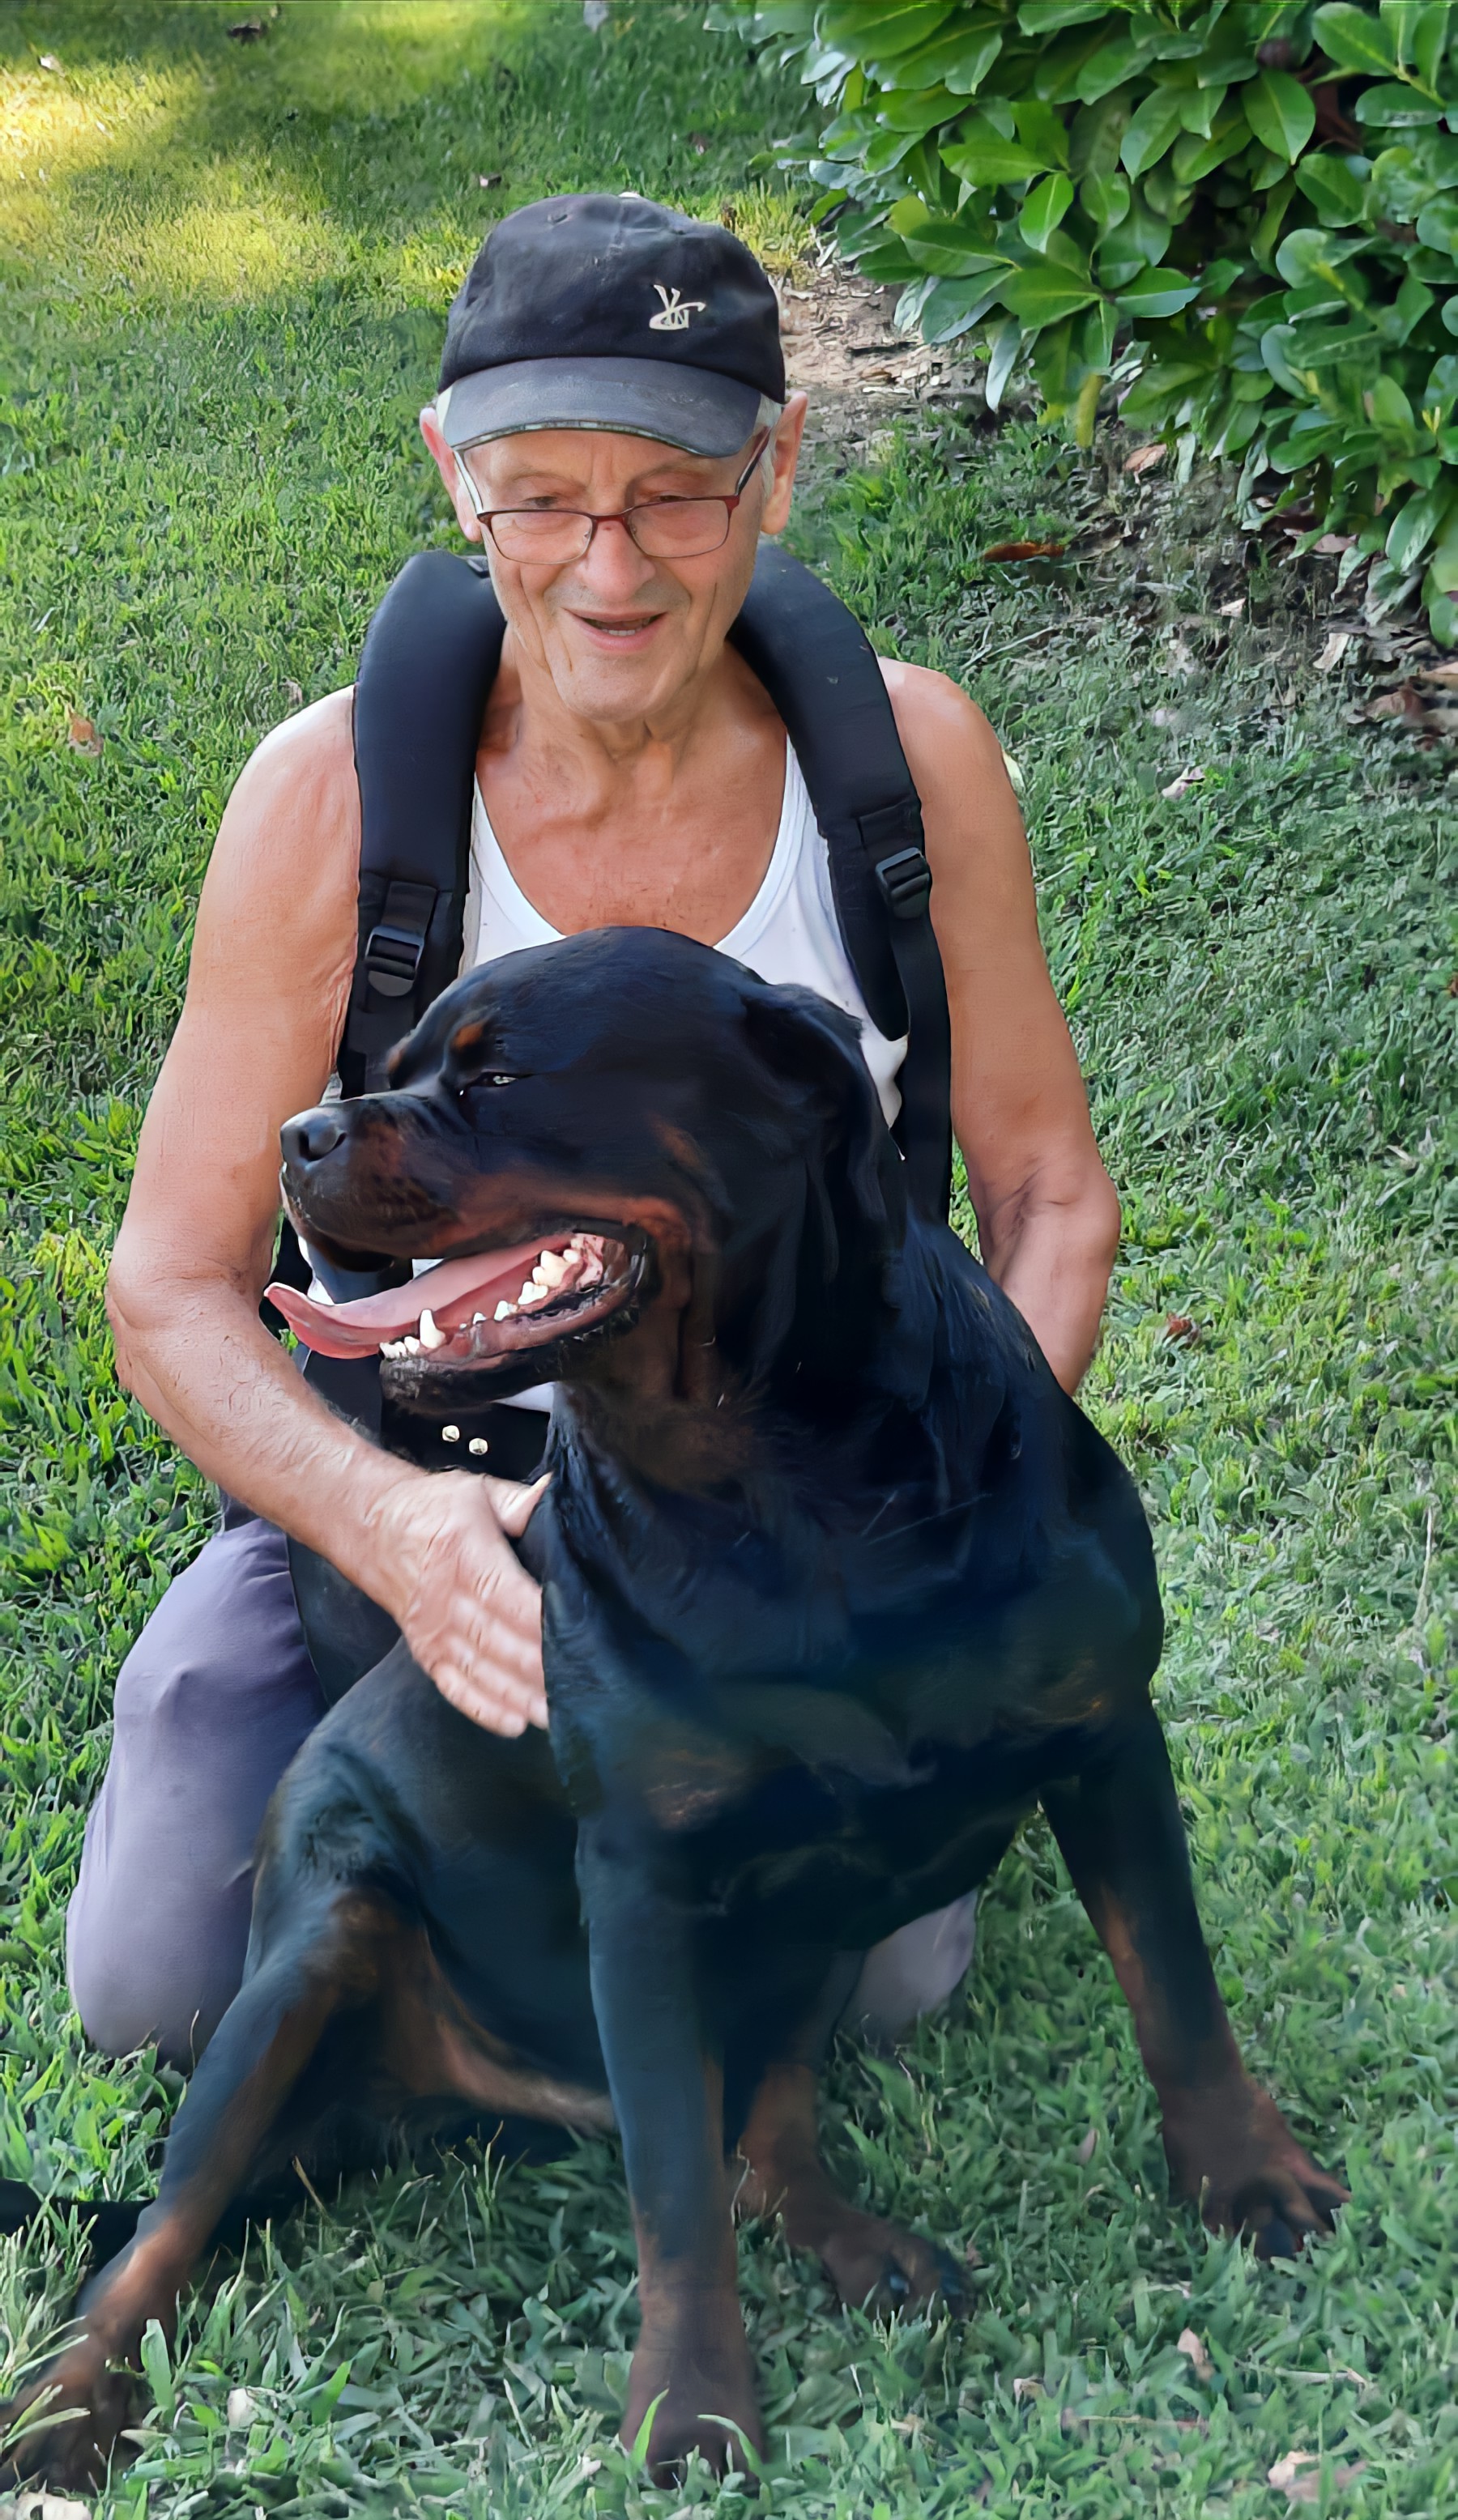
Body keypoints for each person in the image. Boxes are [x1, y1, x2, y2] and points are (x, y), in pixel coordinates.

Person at [68, 194, 1120, 2069]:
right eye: (542, 497)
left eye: (675, 494)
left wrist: (940, 1518)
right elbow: (167, 1283)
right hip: (433, 1490)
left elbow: (1047, 1191)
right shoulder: (332, 802)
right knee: (158, 1988)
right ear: (453, 478)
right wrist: (390, 1527)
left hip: (797, 1511)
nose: (606, 567)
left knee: (873, 1987)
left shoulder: (907, 771)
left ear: (778, 466)